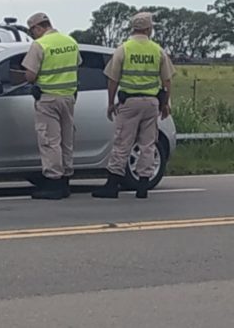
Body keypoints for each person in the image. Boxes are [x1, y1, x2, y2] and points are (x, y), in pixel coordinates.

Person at [92, 12, 174, 199]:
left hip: (129, 102)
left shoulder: (124, 49)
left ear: (134, 28)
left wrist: (110, 102)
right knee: (147, 143)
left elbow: (113, 79)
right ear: (148, 29)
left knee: (123, 141)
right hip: (151, 102)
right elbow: (167, 80)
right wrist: (166, 103)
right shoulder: (157, 50)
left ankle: (112, 185)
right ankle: (143, 185)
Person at [21, 12, 81, 200]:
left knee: (50, 141)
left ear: (38, 28)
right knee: (66, 140)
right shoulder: (70, 41)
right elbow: (78, 63)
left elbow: (30, 75)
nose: (33, 36)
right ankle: (65, 182)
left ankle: (53, 182)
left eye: (33, 32)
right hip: (69, 97)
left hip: (48, 99)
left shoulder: (40, 45)